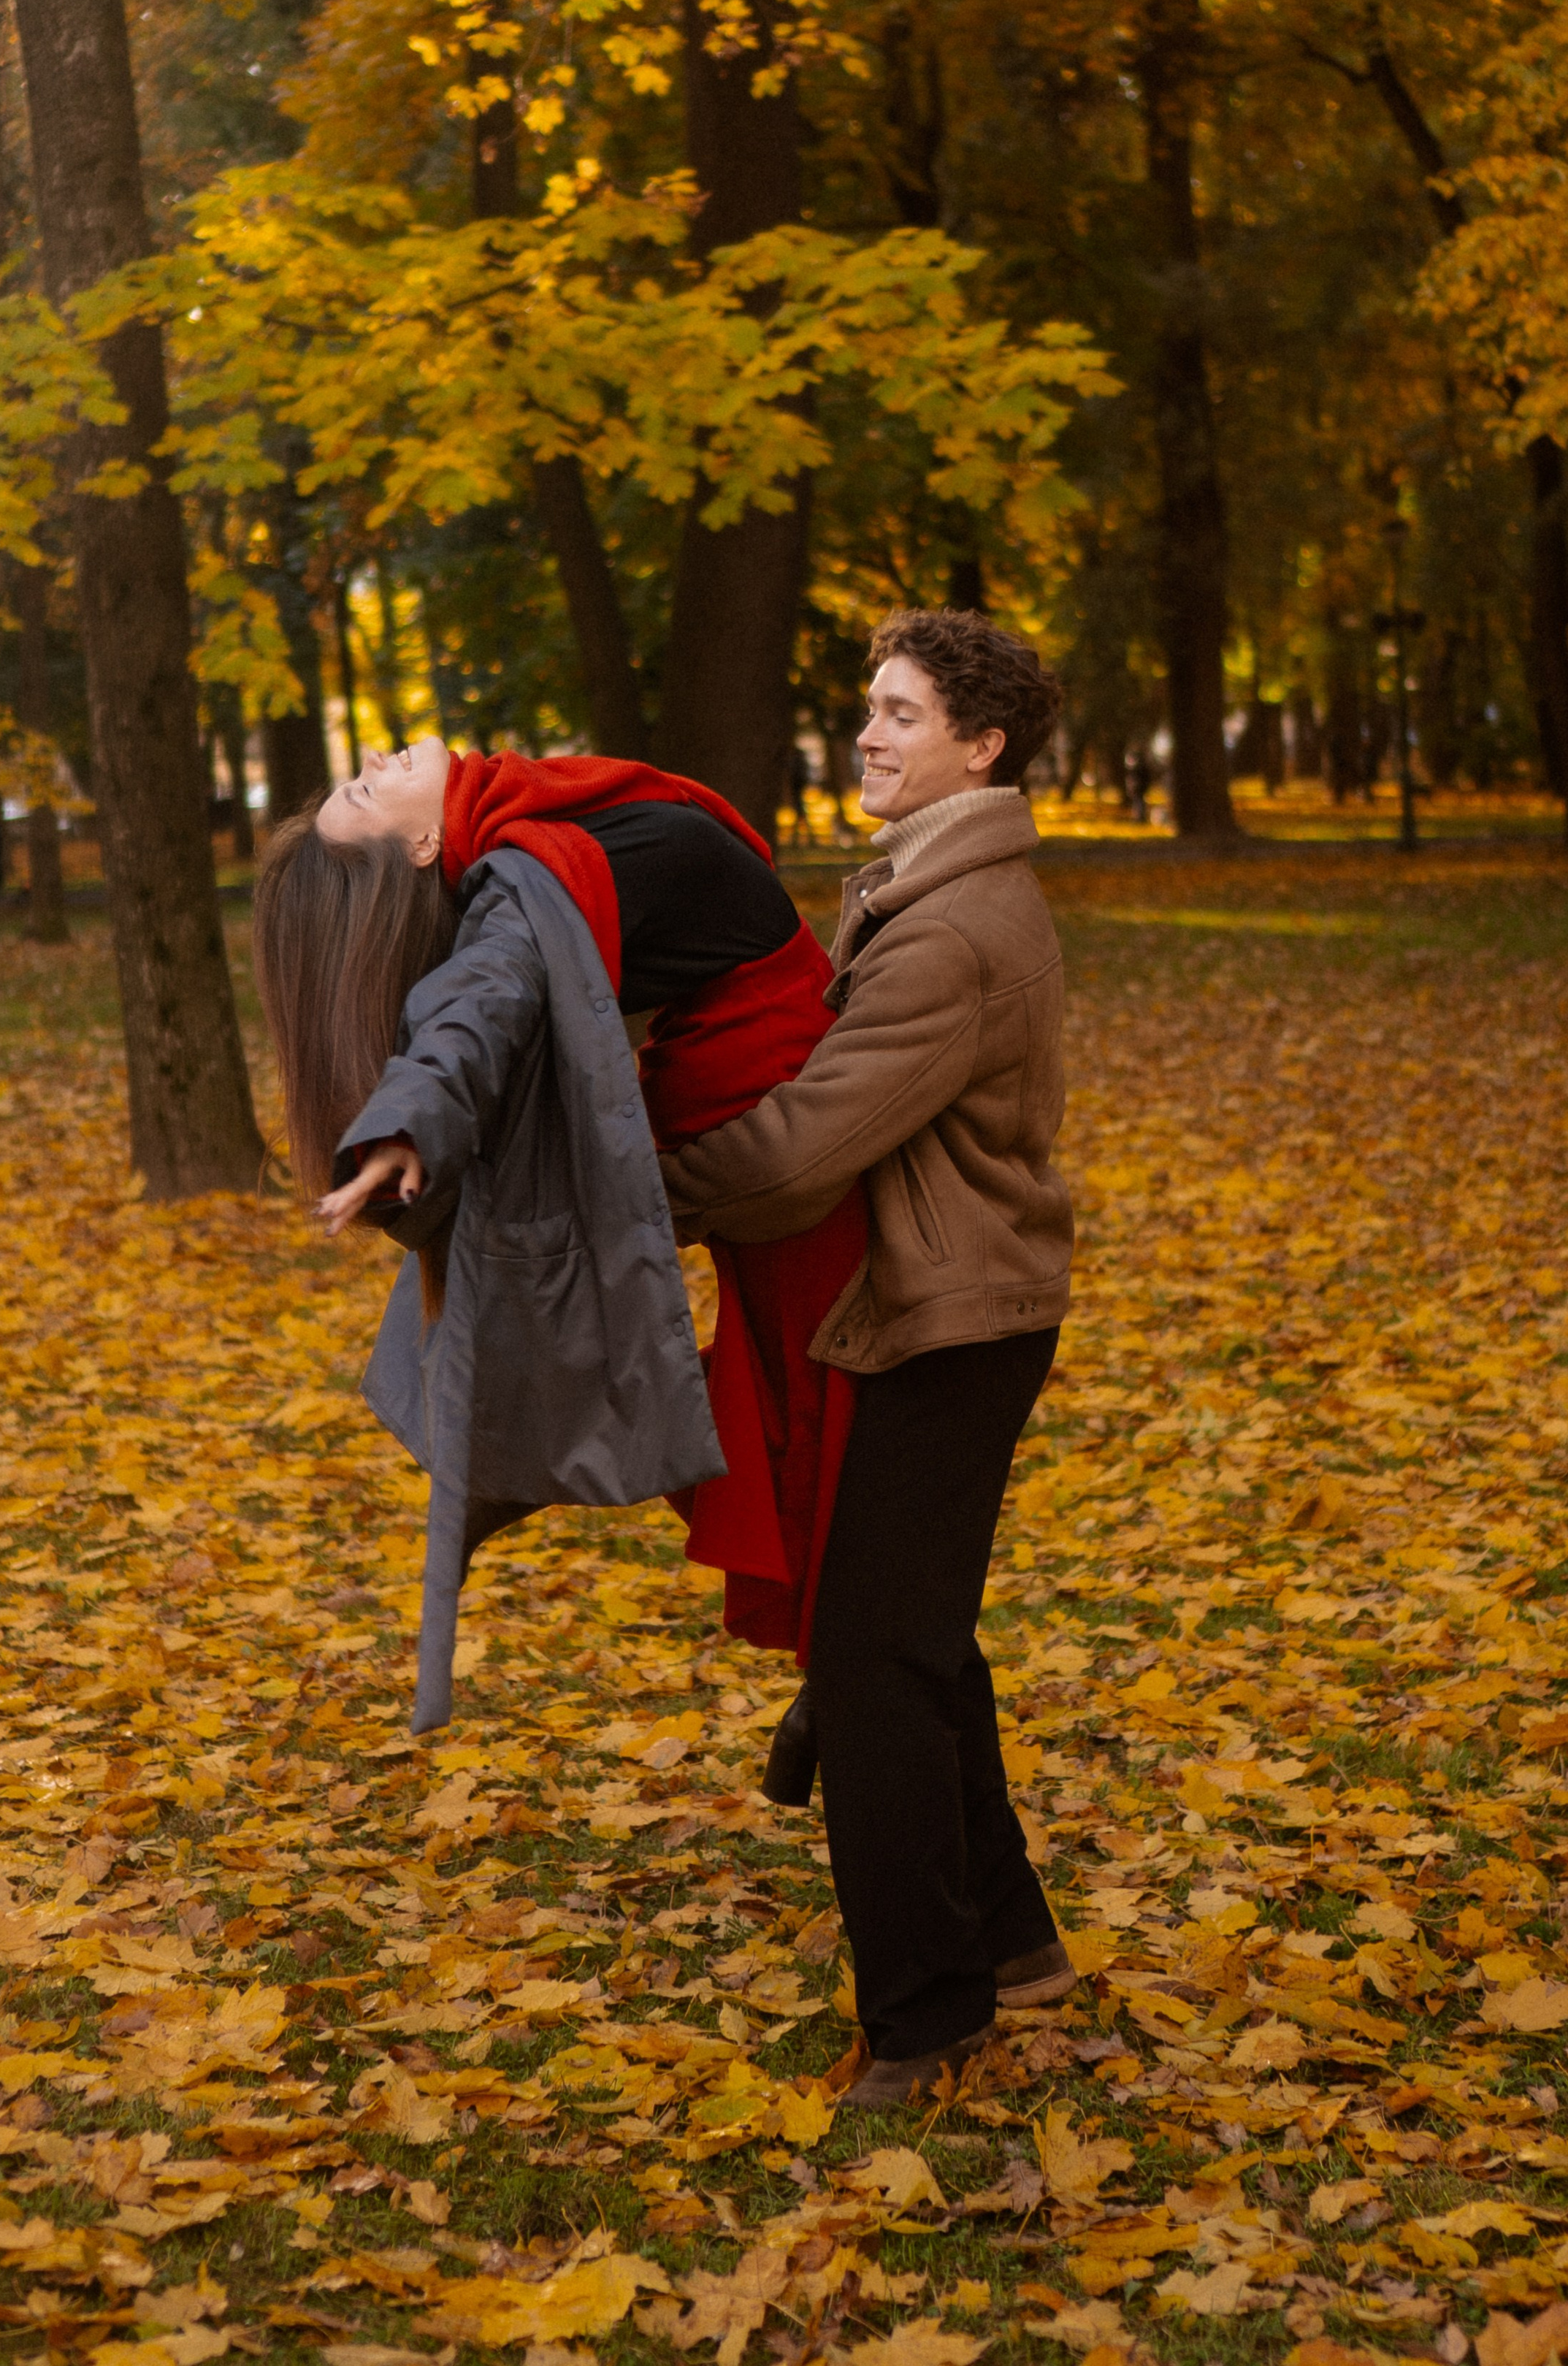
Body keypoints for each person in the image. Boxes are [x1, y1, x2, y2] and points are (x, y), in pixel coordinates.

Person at [662, 608, 1076, 2108]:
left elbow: (798, 1154)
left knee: (869, 1661)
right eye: (868, 709)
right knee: (912, 1641)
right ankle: (1013, 1945)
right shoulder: (922, 890)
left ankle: (925, 2016)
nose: (869, 734)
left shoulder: (952, 930)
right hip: (950, 1307)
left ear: (982, 746)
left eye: (901, 714)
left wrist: (641, 1195)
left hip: (948, 1323)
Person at [253, 738, 867, 1729]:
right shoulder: (518, 893)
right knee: (817, 1429)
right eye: (367, 789)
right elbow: (472, 1008)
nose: (374, 752)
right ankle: (854, 1679)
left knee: (816, 1423)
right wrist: (406, 1118)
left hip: (802, 1097)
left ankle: (851, 1679)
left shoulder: (529, 827)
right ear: (419, 849)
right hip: (785, 1127)